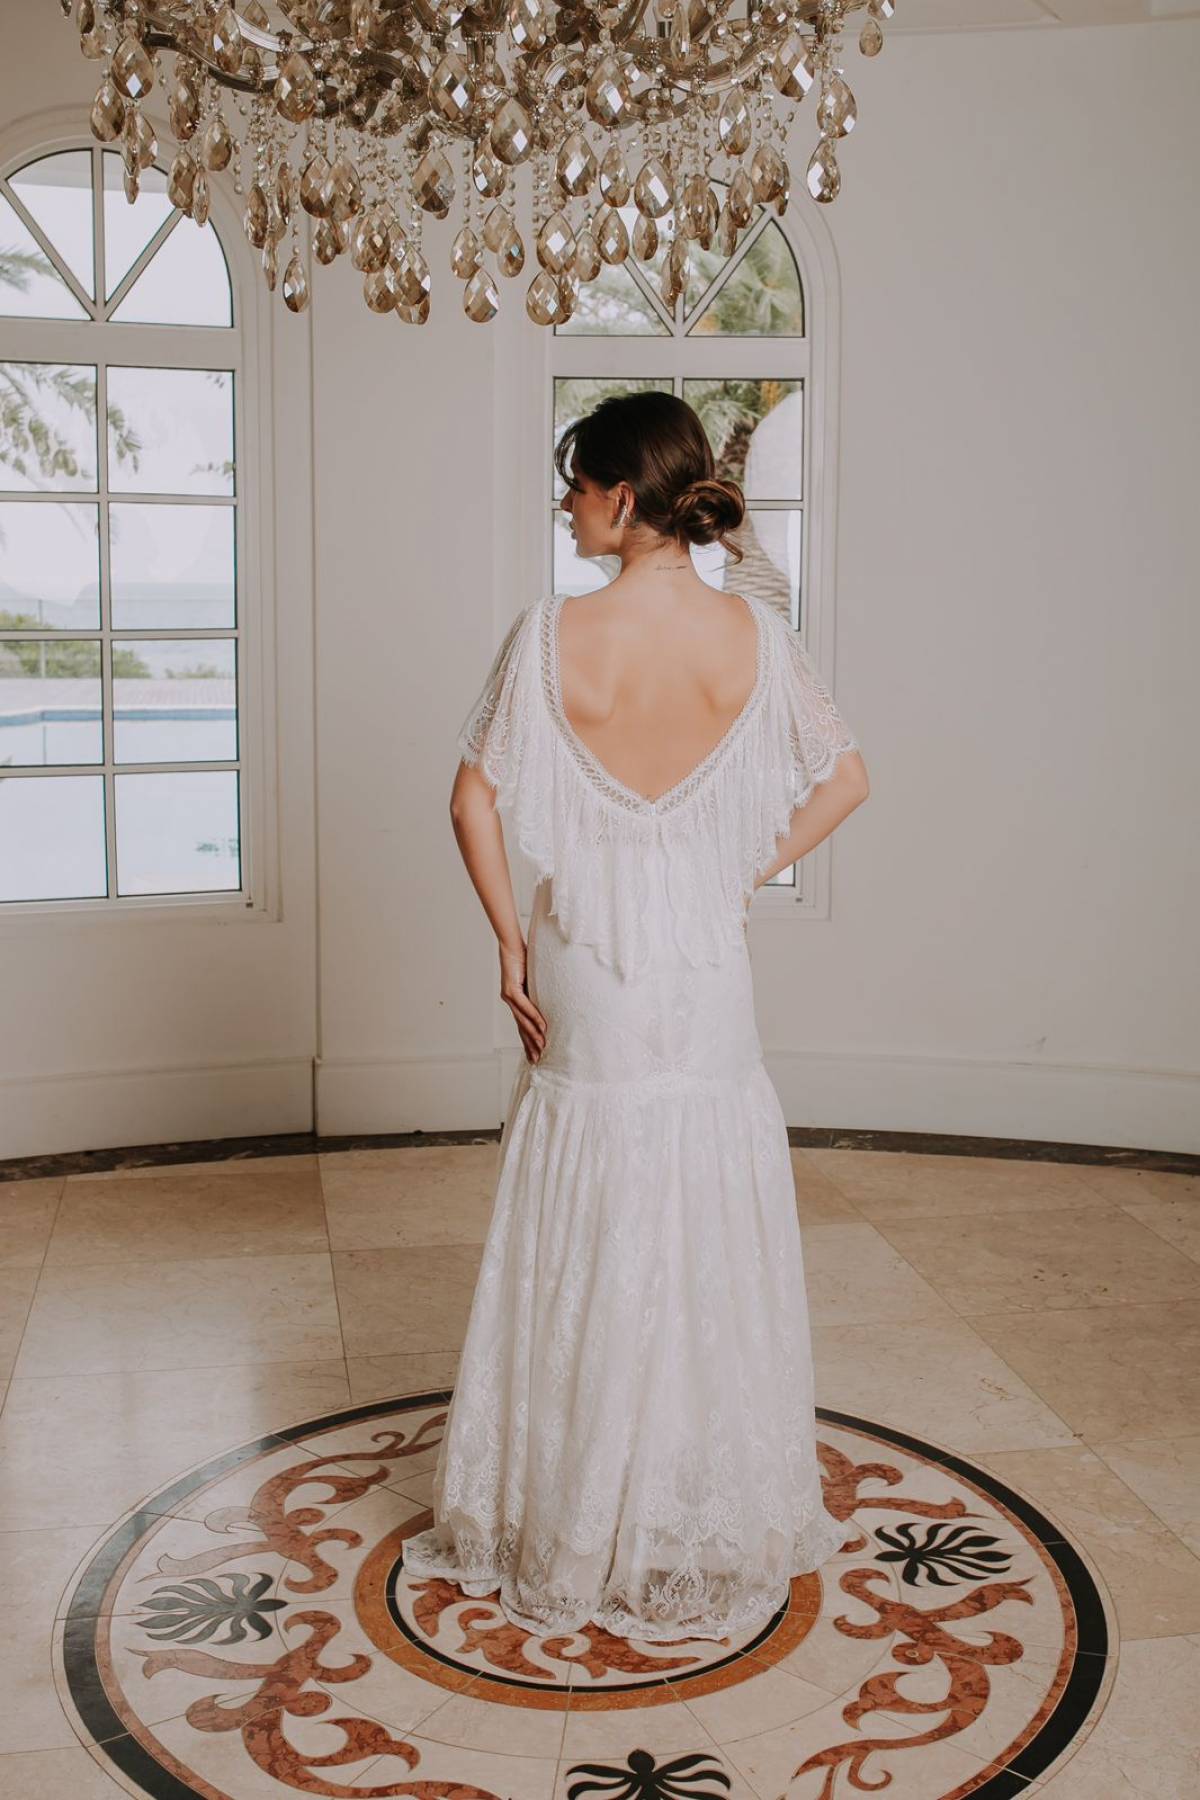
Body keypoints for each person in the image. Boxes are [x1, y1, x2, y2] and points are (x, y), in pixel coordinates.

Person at [401, 390, 870, 1641]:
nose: (565, 507)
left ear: (621, 497)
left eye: (575, 485)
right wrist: (741, 866)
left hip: (588, 967)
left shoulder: (552, 635)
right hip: (705, 972)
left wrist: (511, 944)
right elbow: (848, 778)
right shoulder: (756, 635)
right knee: (698, 1207)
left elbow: (470, 802)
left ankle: (574, 1504)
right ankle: (689, 1503)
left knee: (594, 1207)